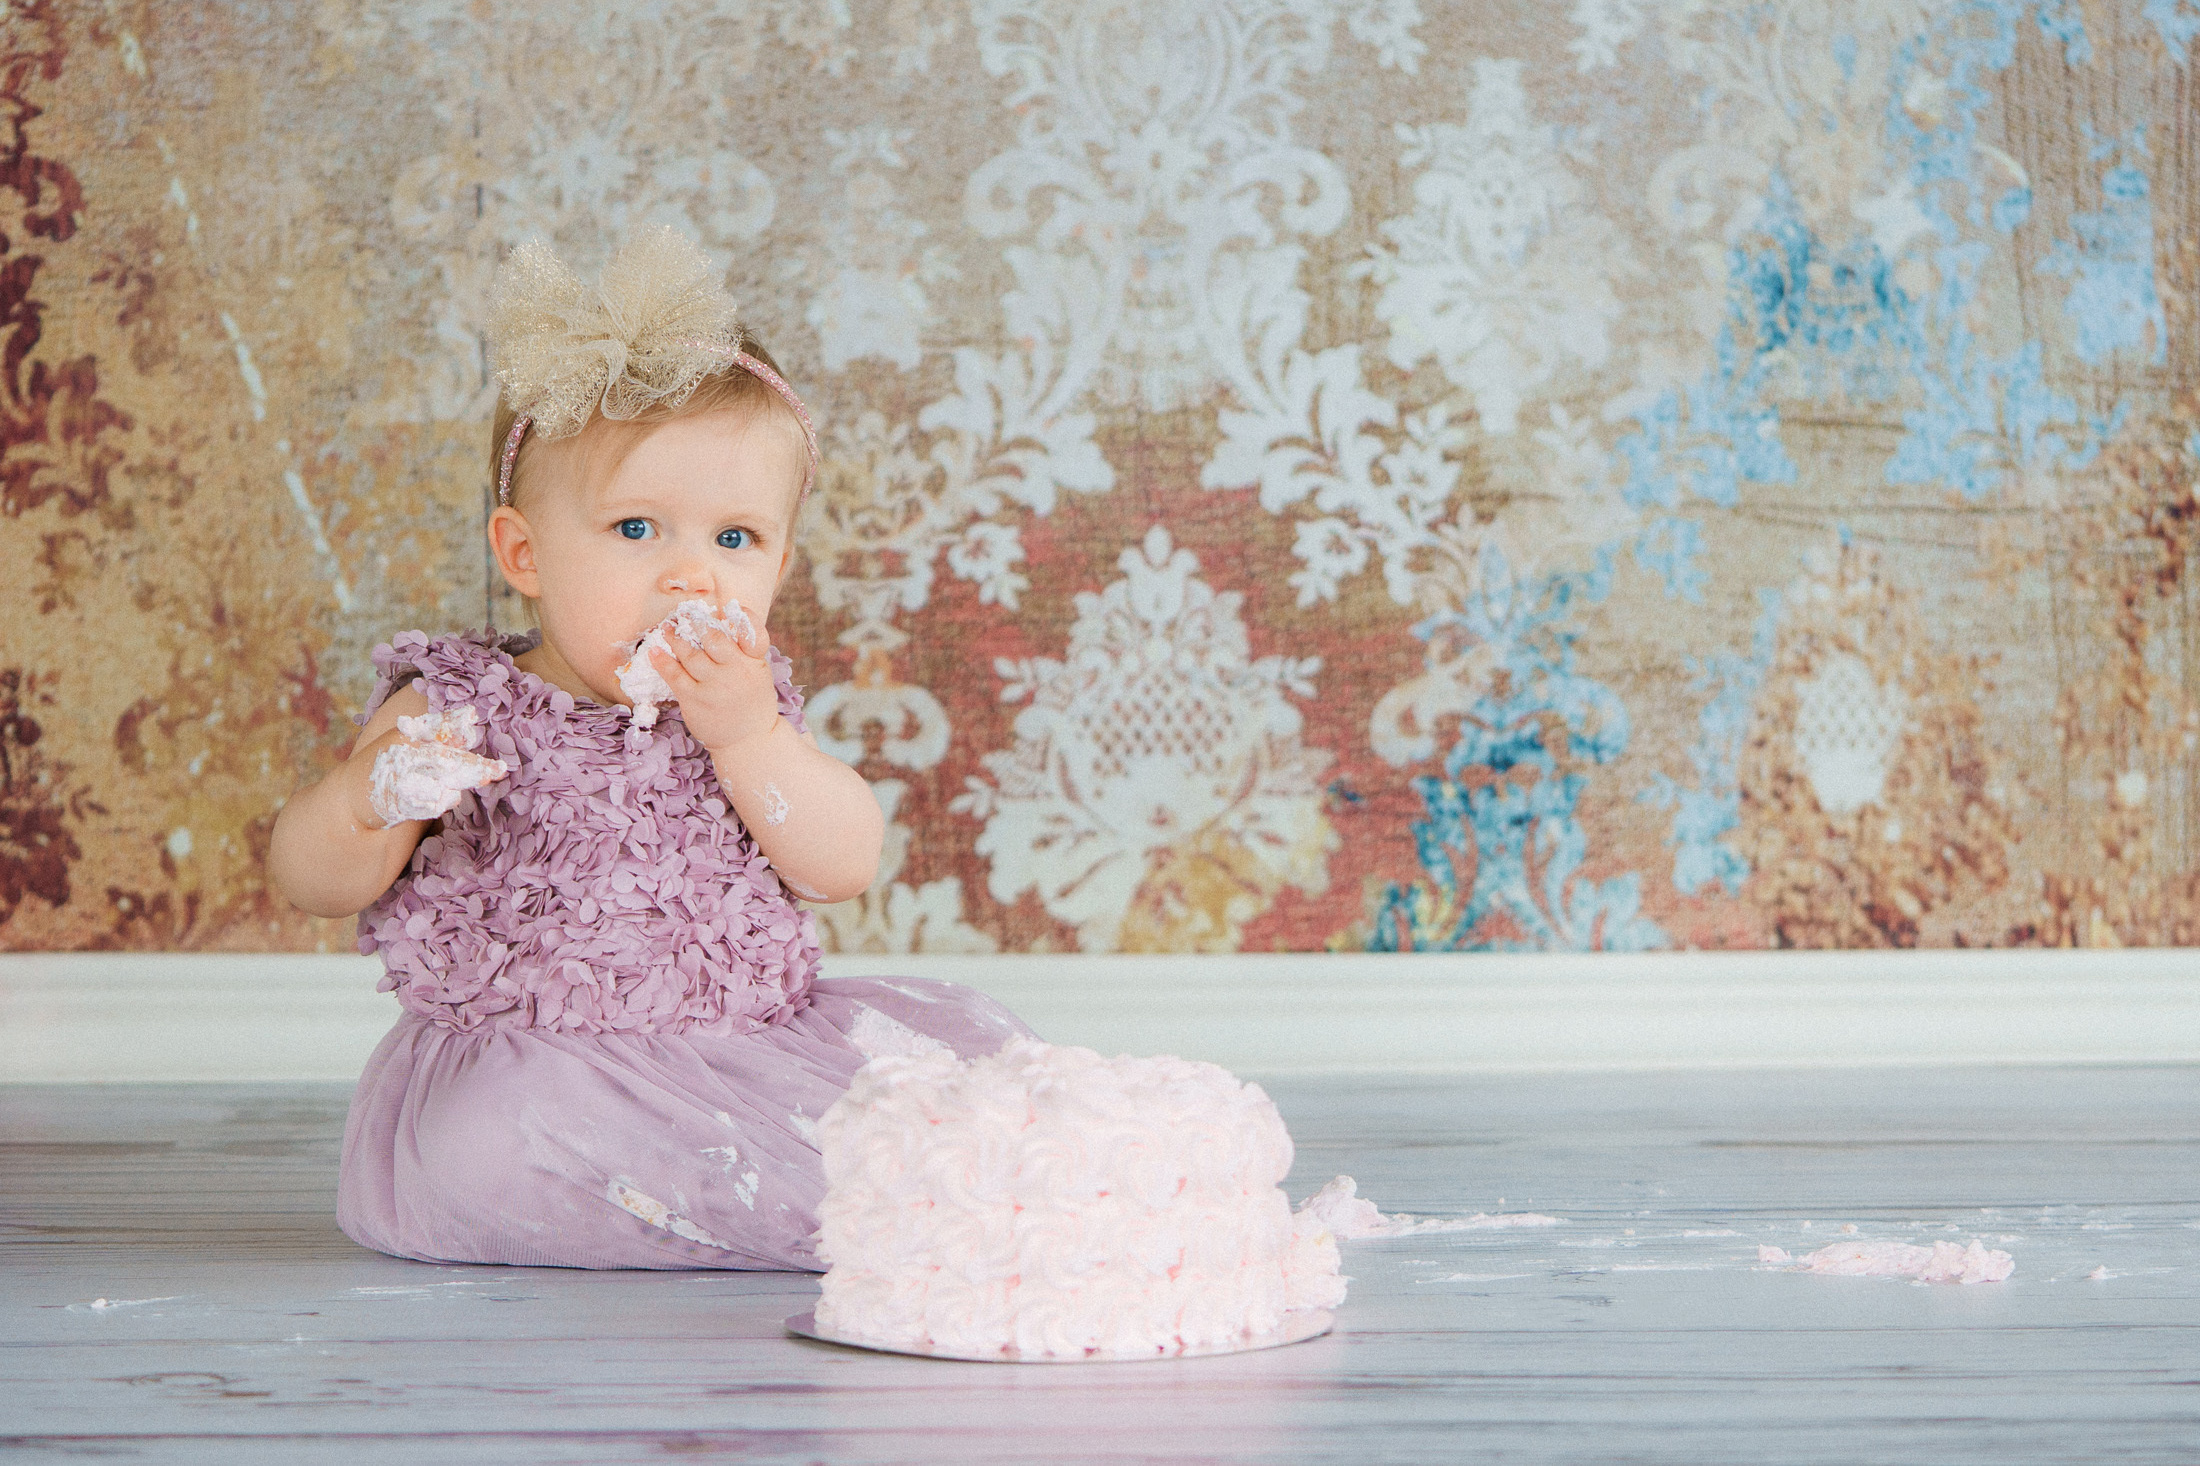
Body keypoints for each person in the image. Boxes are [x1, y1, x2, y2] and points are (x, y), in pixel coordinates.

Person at [266, 226, 1029, 1270]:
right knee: (482, 1150)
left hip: (734, 1052)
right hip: (532, 1068)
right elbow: (305, 876)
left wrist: (752, 738)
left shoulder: (745, 705)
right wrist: (374, 798)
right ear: (524, 552)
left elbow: (841, 863)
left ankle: (758, 1186)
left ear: (779, 559)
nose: (690, 577)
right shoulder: (451, 706)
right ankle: (741, 1201)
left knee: (954, 1078)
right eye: (636, 529)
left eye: (733, 538)